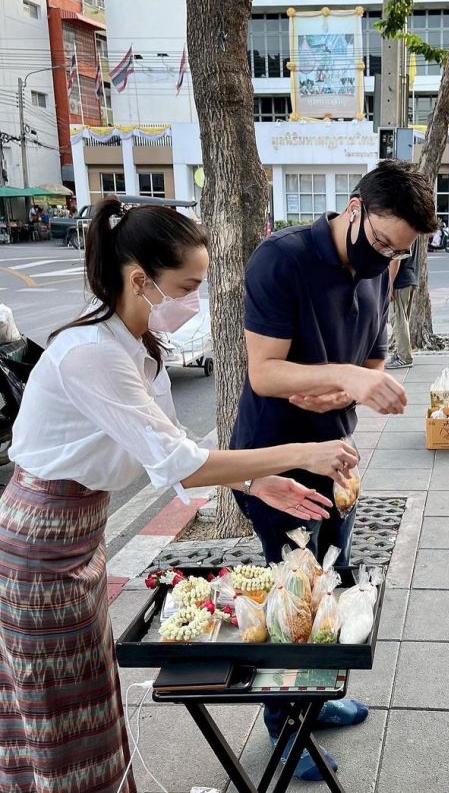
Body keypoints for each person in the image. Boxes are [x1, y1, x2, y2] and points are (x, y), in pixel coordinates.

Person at [0, 198, 358, 793]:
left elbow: (174, 449)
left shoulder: (137, 347)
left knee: (87, 692)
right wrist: (300, 453)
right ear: (140, 280)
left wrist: (253, 480)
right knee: (58, 707)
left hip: (77, 533)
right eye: (187, 285)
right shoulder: (92, 354)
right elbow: (180, 465)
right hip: (41, 542)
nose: (196, 298)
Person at [231, 159, 438, 780]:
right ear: (354, 207)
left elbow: (369, 361)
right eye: (380, 242)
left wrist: (348, 390)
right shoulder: (282, 258)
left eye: (399, 251)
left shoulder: (385, 264)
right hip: (276, 464)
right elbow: (263, 373)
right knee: (292, 601)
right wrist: (343, 378)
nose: (387, 259)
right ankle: (283, 728)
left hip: (337, 462)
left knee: (335, 581)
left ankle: (313, 703)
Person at [386, 242, 418, 369]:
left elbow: (395, 260)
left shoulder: (401, 229)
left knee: (398, 320)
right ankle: (399, 353)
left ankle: (405, 357)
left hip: (400, 281)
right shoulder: (414, 230)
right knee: (402, 320)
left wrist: (390, 284)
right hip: (410, 278)